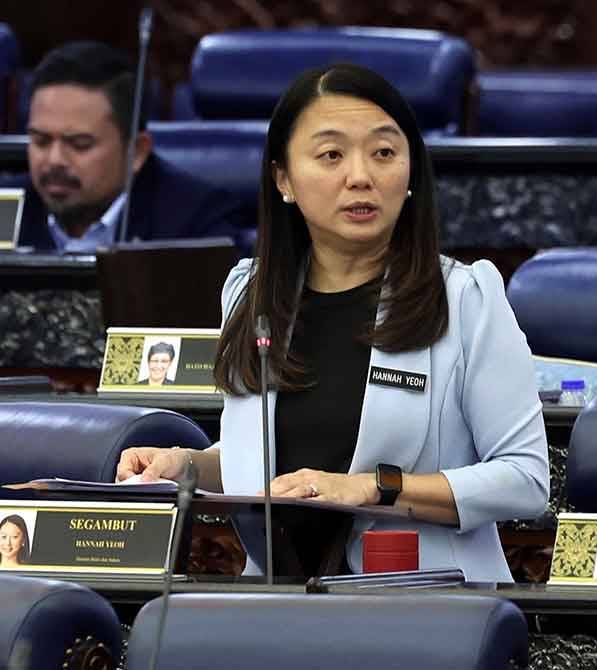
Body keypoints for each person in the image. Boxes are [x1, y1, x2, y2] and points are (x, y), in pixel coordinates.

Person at [115, 63, 550, 582]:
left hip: (426, 598)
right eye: (331, 155)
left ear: (411, 172)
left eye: (383, 152)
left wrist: (372, 488)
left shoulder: (465, 298)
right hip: (275, 599)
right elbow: (282, 458)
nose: (360, 176)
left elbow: (524, 479)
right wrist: (186, 466)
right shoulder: (250, 292)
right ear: (283, 179)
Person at [9, 41, 245, 253]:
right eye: (41, 141)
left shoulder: (197, 224)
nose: (54, 160)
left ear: (137, 151)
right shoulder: (6, 207)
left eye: (80, 144)